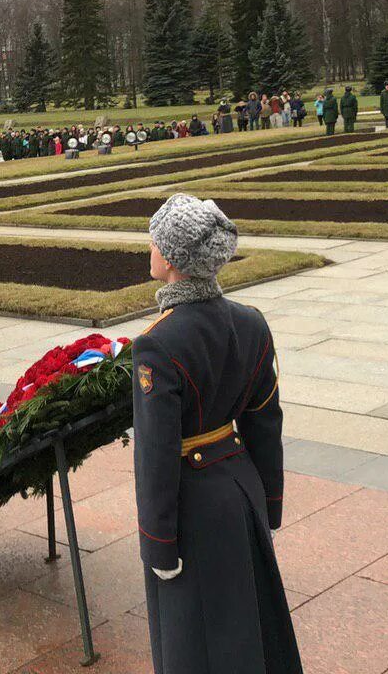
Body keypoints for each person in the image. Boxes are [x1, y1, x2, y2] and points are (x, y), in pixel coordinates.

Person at [134, 193, 303, 674]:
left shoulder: (158, 342)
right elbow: (266, 420)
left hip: (194, 506)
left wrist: (159, 543)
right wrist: (269, 503)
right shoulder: (251, 321)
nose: (148, 251)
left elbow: (156, 456)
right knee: (247, 624)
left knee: (195, 640)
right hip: (240, 486)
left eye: (153, 243)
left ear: (169, 259)